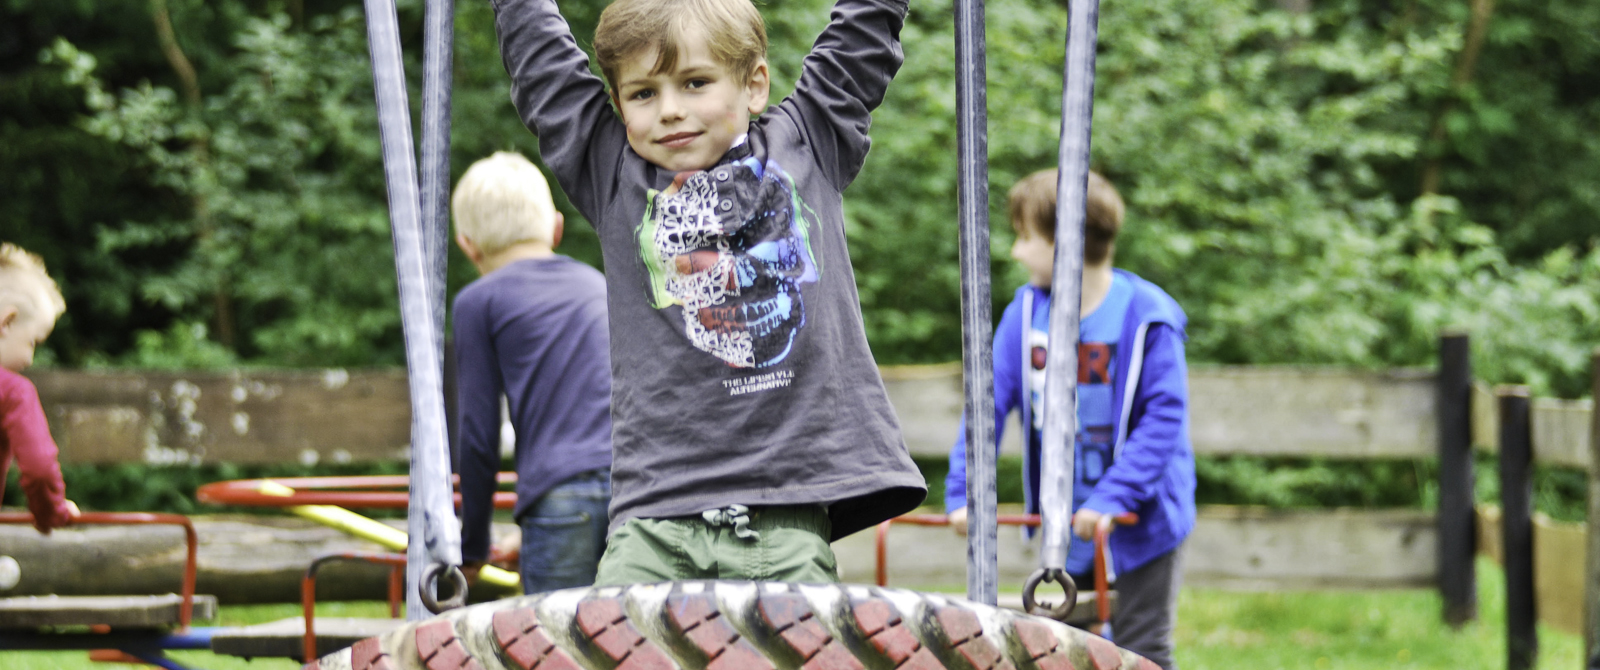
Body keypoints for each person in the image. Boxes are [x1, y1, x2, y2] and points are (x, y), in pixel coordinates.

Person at [486, 0, 926, 585]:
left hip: (785, 511)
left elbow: (863, 34)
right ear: (618, 105)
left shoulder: (808, 142)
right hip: (652, 517)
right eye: (643, 94)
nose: (670, 111)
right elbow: (542, 63)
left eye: (695, 83)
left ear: (753, 85)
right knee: (609, 642)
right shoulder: (613, 172)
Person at [945, 169, 1194, 669]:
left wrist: (1114, 497)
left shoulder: (1147, 318)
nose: (1016, 251)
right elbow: (987, 410)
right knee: (1060, 650)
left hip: (1137, 522)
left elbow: (1163, 421)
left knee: (1143, 650)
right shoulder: (1024, 316)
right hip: (1064, 522)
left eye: (1025, 236)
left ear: (1065, 244)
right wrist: (968, 494)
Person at [452, 152, 615, 594]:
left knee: (551, 648)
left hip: (559, 499)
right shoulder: (597, 284)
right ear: (557, 228)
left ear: (468, 244)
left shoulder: (478, 302)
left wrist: (472, 547)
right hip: (635, 494)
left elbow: (478, 436)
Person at [0, 243, 80, 534]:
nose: (31, 359)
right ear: (6, 323)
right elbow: (39, 469)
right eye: (33, 341)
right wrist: (51, 513)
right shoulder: (12, 391)